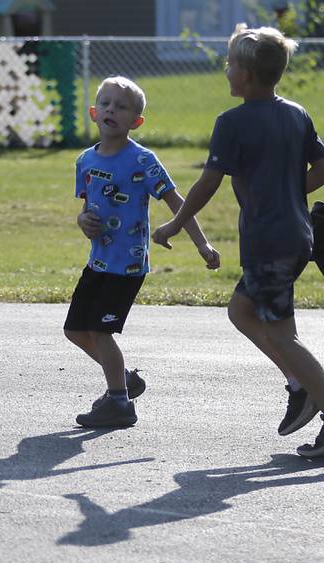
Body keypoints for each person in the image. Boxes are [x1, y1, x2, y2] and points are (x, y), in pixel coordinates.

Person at [151, 24, 324, 458]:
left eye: (230, 64)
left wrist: (176, 224)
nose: (226, 71)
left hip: (269, 241)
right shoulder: (297, 114)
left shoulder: (231, 123)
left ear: (246, 75)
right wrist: (287, 192)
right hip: (295, 233)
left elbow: (207, 184)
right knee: (241, 311)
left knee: (282, 334)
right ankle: (298, 387)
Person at [65, 76, 220, 428]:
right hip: (98, 262)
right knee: (75, 330)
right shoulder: (85, 161)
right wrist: (81, 221)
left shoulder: (142, 160)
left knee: (101, 331)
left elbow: (176, 202)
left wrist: (201, 243)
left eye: (121, 107)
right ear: (93, 113)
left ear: (135, 121)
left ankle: (119, 402)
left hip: (127, 265)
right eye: (105, 104)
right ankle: (124, 379)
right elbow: (87, 208)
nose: (111, 110)